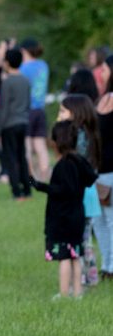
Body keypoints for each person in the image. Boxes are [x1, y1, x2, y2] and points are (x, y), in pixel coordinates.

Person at [31, 120, 97, 300]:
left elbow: (61, 190)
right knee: (76, 255)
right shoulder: (80, 161)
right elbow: (91, 178)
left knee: (65, 257)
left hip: (63, 219)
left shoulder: (63, 165)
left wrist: (40, 186)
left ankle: (64, 292)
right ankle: (78, 292)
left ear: (57, 142)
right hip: (77, 216)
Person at [57, 94, 103, 287]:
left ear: (75, 114)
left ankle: (80, 280)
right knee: (84, 239)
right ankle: (89, 277)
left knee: (76, 239)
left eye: (62, 111)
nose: (58, 115)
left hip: (79, 196)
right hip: (87, 195)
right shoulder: (90, 134)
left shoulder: (78, 138)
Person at [0, 48, 31, 199]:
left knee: (10, 158)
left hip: (9, 125)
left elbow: (4, 108)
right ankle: (27, 189)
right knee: (22, 156)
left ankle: (16, 191)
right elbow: (28, 103)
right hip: (23, 122)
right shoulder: (26, 80)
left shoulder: (8, 82)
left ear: (7, 62)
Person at [19, 38, 50, 182]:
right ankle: (45, 176)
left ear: (24, 50)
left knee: (27, 146)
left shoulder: (23, 68)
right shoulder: (43, 65)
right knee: (41, 146)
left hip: (27, 110)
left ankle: (30, 177)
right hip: (40, 110)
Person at [93, 56, 113, 279]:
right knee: (99, 220)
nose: (101, 72)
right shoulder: (101, 99)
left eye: (105, 69)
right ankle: (107, 265)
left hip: (108, 169)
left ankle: (111, 266)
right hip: (97, 169)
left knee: (109, 219)